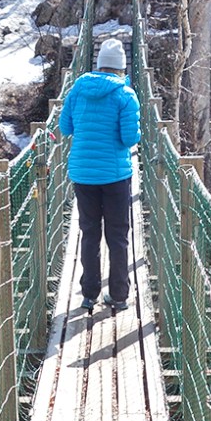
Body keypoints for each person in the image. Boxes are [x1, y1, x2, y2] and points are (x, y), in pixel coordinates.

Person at [59, 37, 141, 313]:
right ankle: (118, 295)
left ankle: (89, 294)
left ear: (98, 64)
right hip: (115, 175)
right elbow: (130, 138)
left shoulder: (77, 89)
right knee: (117, 234)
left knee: (89, 232)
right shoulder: (125, 95)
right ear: (121, 68)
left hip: (83, 173)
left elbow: (65, 127)